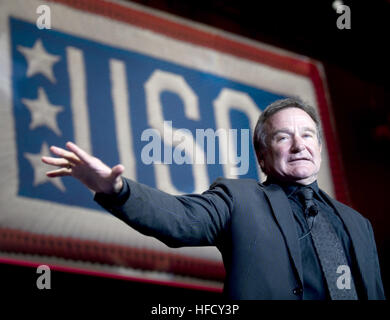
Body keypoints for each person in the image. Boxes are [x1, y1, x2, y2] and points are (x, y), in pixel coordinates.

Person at [42, 98, 385, 300]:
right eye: (283, 137)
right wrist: (116, 190)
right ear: (263, 158)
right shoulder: (240, 198)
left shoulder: (359, 226)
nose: (299, 145)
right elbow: (177, 218)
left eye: (308, 135)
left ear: (320, 149)